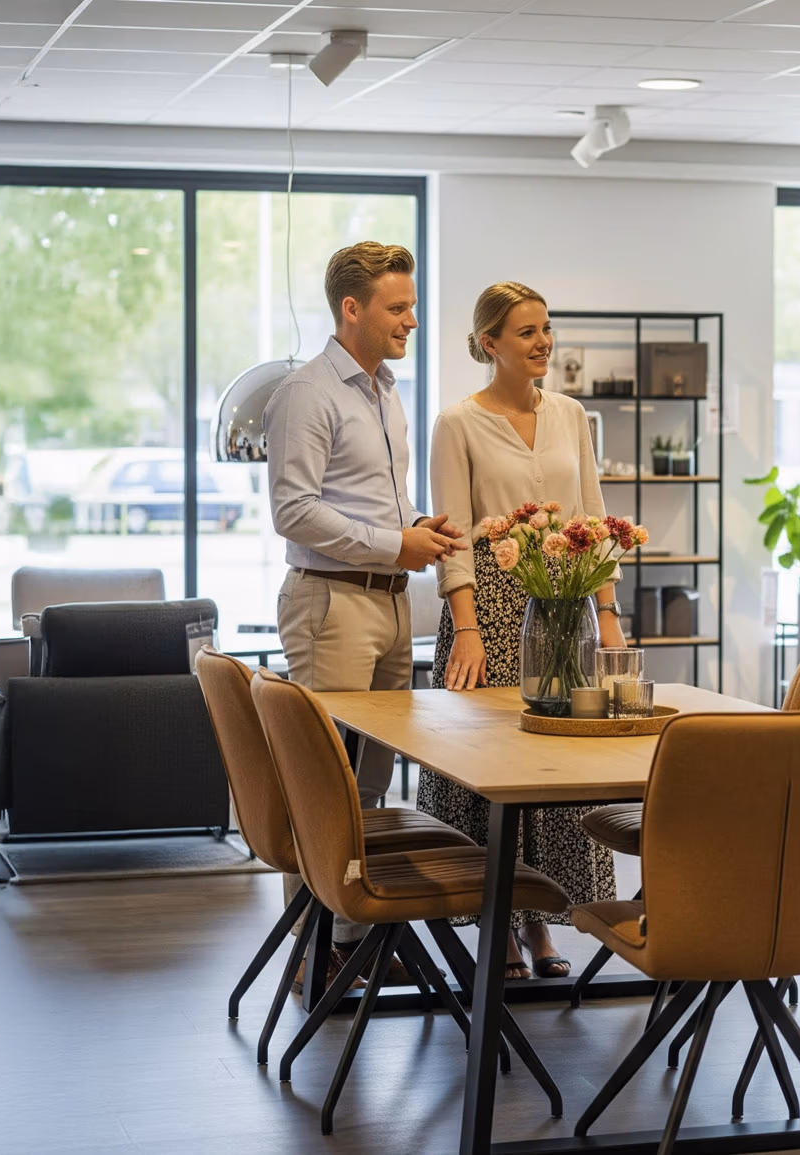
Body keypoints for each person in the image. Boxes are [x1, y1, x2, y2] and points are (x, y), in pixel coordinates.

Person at [264, 240, 467, 991]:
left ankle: (350, 935)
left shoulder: (384, 392)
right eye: (398, 307)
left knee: (370, 780)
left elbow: (378, 501)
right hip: (332, 603)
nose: (411, 319)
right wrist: (395, 540)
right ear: (351, 309)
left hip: (387, 605)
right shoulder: (306, 392)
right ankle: (313, 953)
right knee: (327, 782)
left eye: (411, 306)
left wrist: (422, 527)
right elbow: (293, 511)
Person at [421, 281, 623, 980]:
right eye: (527, 331)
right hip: (490, 609)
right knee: (491, 774)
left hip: (565, 602)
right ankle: (497, 926)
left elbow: (593, 522)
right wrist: (466, 626)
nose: (543, 342)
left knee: (559, 771)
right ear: (490, 344)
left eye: (546, 328)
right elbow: (449, 536)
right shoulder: (457, 422)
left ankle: (545, 920)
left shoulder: (572, 416)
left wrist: (609, 614)